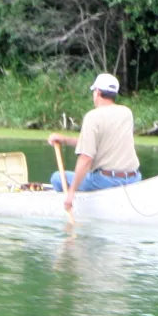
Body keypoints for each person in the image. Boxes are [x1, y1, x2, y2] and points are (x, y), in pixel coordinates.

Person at [46, 73, 140, 212]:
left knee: (57, 178)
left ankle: (74, 205)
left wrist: (71, 192)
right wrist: (65, 140)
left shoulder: (93, 117)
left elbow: (86, 158)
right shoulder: (126, 113)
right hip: (133, 178)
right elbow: (99, 143)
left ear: (97, 93)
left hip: (106, 181)